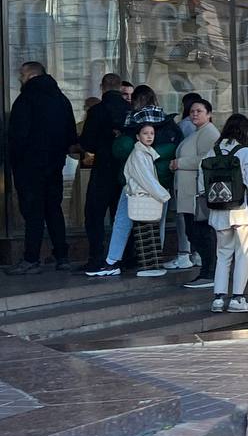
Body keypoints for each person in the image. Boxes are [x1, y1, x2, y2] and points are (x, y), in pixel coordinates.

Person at [92, 85, 180, 278]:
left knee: (122, 222)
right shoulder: (166, 122)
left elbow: (124, 151)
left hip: (134, 186)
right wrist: (164, 194)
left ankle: (112, 261)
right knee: (155, 226)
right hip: (160, 183)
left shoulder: (133, 122)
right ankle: (152, 263)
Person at [4, 62, 76, 275]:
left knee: (33, 213)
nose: (20, 78)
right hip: (54, 165)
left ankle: (31, 258)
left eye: (22, 74)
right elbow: (70, 134)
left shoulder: (26, 100)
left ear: (30, 75)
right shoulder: (61, 99)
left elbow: (18, 136)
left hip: (30, 167)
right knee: (54, 209)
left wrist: (15, 161)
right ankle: (62, 256)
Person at [199, 114, 248, 313]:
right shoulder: (246, 153)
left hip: (219, 213)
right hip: (242, 212)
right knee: (242, 255)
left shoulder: (211, 152)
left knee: (223, 254)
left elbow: (202, 187)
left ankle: (218, 298)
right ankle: (237, 298)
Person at [79, 74, 131, 272]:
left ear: (102, 87)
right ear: (119, 87)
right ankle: (125, 256)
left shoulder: (97, 111)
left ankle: (97, 256)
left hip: (102, 168)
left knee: (94, 214)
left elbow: (87, 143)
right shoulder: (130, 110)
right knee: (123, 215)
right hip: (126, 170)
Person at [172, 99, 219, 289]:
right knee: (193, 231)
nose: (195, 114)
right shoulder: (198, 132)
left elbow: (207, 159)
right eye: (192, 111)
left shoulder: (209, 132)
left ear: (209, 114)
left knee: (200, 232)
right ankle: (208, 270)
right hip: (189, 191)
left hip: (196, 192)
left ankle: (209, 271)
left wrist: (180, 163)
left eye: (199, 111)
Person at [123, 123, 171, 276]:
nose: (149, 136)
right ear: (138, 136)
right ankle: (148, 267)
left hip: (147, 197)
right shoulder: (139, 154)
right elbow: (146, 179)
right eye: (145, 133)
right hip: (144, 196)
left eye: (152, 133)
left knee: (148, 232)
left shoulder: (146, 153)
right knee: (145, 233)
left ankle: (152, 266)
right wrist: (163, 195)